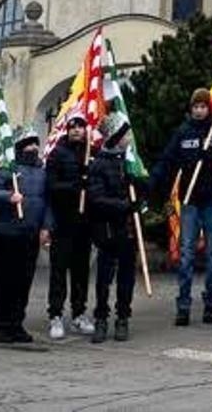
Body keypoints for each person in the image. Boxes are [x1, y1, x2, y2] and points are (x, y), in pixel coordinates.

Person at [151, 86, 212, 326]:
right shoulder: (184, 132)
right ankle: (183, 305)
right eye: (195, 107)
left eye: (203, 106)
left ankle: (210, 303)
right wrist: (153, 183)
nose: (199, 111)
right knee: (186, 254)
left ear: (209, 107)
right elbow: (168, 160)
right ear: (191, 109)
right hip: (189, 201)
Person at [0, 126, 51, 345]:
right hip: (7, 234)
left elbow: (47, 202)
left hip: (30, 235)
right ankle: (3, 326)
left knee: (24, 281)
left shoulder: (43, 172)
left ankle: (17, 323)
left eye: (36, 143)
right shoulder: (7, 169)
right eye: (29, 143)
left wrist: (46, 227)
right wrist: (8, 196)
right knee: (6, 281)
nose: (33, 147)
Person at [86, 112, 140, 343]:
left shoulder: (130, 163)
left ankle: (123, 318)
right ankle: (101, 318)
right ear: (116, 137)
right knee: (104, 278)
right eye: (126, 133)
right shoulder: (99, 163)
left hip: (128, 230)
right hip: (107, 229)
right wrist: (124, 206)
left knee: (126, 277)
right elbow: (96, 198)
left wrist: (140, 198)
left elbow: (142, 189)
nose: (129, 137)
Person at [45, 111, 93, 340]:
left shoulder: (90, 153)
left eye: (80, 126)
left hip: (84, 224)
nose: (76, 130)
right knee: (58, 271)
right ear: (67, 129)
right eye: (73, 126)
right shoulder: (57, 154)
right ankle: (55, 314)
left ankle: (79, 312)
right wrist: (75, 185)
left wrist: (89, 181)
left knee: (81, 271)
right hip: (63, 222)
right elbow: (52, 186)